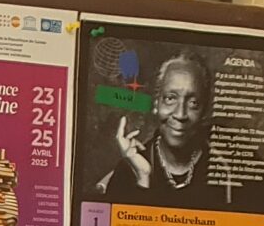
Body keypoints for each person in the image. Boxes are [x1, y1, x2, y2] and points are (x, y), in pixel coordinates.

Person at [93, 51, 231, 209]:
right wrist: (143, 177)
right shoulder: (127, 172)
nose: (180, 114)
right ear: (156, 104)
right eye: (170, 98)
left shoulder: (226, 171)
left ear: (204, 111)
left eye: (193, 103)